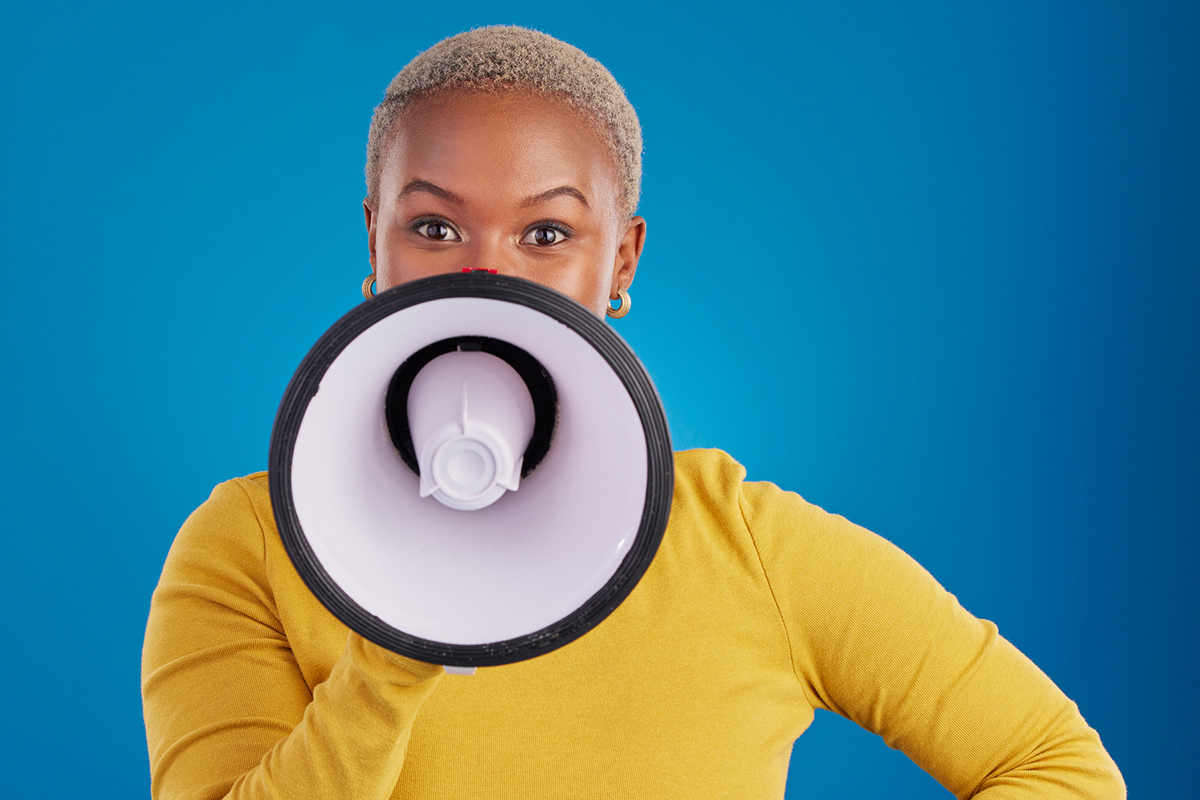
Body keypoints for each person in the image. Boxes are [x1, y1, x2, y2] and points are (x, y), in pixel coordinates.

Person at [141, 26, 1125, 799]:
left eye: (547, 231)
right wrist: (386, 669)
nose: (485, 273)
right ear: (376, 237)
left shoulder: (748, 548)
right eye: (434, 224)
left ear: (621, 264)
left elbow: (1055, 762)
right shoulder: (252, 545)